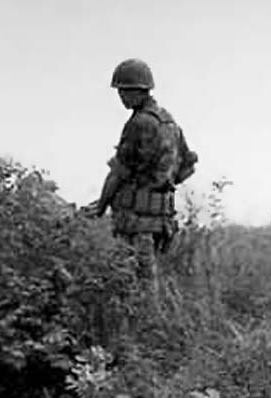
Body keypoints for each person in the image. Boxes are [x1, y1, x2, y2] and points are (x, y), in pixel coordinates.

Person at [82, 58, 198, 299]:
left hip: (137, 222)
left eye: (123, 91)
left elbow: (118, 172)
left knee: (138, 287)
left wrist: (101, 206)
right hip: (161, 221)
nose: (121, 97)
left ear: (136, 91)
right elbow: (188, 166)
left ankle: (146, 334)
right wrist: (161, 187)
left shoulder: (139, 123)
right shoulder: (169, 121)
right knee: (146, 280)